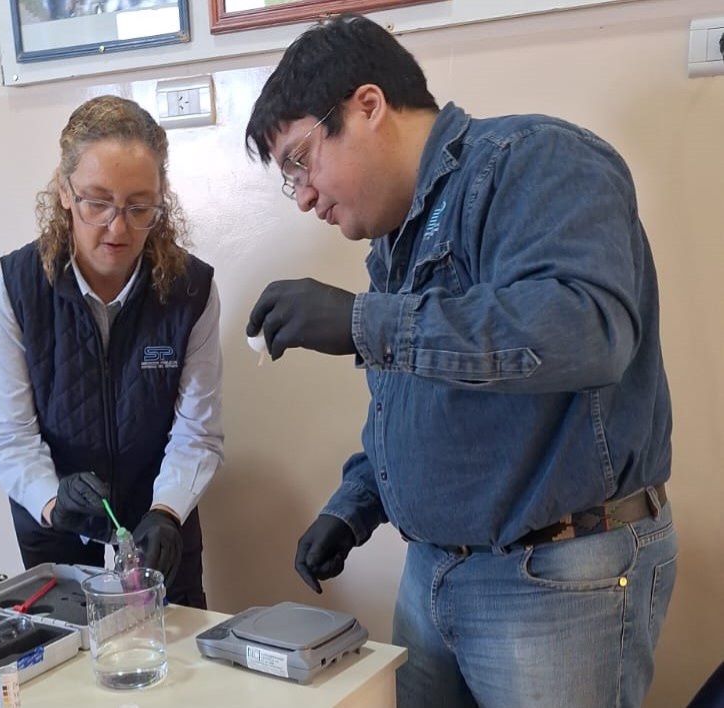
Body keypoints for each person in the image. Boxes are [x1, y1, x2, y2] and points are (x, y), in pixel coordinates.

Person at [244, 13, 676, 708]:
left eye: (299, 159)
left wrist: (362, 320)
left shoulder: (536, 159)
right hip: (436, 574)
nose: (302, 195)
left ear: (368, 106)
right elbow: (429, 406)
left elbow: (586, 330)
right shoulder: (397, 238)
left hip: (554, 578)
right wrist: (354, 507)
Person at [0, 95, 223, 609]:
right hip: (56, 536)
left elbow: (198, 431)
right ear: (65, 192)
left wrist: (167, 511)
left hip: (158, 534)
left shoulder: (190, 289)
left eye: (140, 207)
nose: (118, 228)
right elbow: (10, 434)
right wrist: (51, 501)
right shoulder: (18, 285)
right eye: (98, 202)